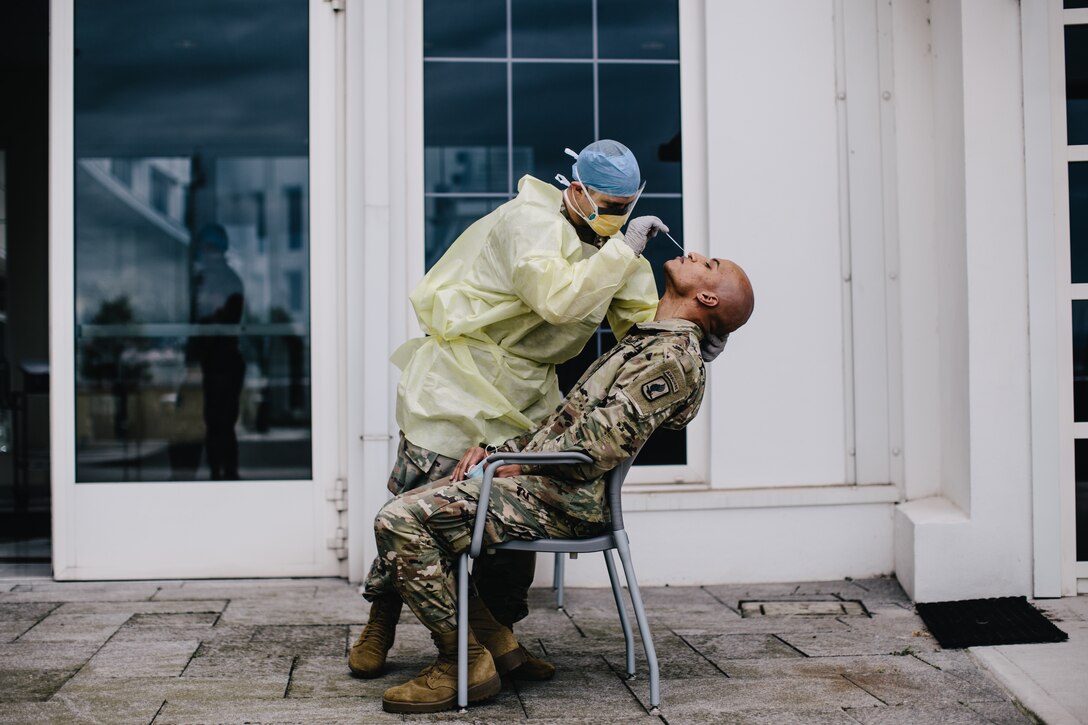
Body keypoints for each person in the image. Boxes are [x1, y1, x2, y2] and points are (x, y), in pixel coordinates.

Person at [350, 140, 724, 680]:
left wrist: (697, 335)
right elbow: (559, 299)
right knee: (419, 501)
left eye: (627, 206)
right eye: (609, 205)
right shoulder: (527, 222)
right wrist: (623, 250)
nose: (619, 217)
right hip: (460, 375)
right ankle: (383, 621)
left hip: (525, 392)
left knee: (504, 537)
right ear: (576, 191)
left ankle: (496, 640)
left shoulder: (616, 248)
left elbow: (643, 329)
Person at [367, 252, 755, 713]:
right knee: (417, 499)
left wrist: (522, 464)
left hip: (562, 502)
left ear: (707, 296)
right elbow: (563, 427)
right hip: (547, 488)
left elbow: (597, 445)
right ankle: (494, 641)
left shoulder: (669, 357)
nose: (694, 255)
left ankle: (463, 662)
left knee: (399, 521)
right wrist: (499, 453)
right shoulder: (652, 342)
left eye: (709, 264)